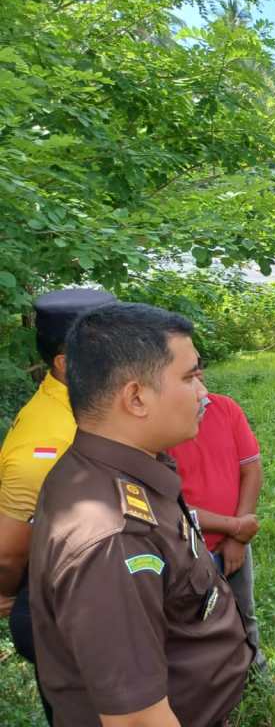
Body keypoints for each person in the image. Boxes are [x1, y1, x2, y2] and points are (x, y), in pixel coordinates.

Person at [29, 302, 251, 726]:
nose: (204, 393)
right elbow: (137, 719)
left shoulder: (116, 467)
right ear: (135, 397)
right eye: (189, 377)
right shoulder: (112, 539)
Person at [0, 288, 115, 724]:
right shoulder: (45, 444)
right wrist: (8, 592)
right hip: (70, 610)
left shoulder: (87, 404)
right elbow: (9, 551)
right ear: (65, 363)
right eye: (109, 344)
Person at [168, 379, 267, 671]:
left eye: (197, 372)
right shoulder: (160, 428)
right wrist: (235, 527)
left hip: (233, 543)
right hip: (185, 548)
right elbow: (167, 505)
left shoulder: (225, 409)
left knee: (242, 609)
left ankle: (252, 666)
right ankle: (213, 679)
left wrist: (237, 538)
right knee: (196, 622)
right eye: (187, 376)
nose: (199, 385)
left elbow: (252, 470)